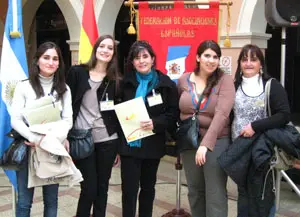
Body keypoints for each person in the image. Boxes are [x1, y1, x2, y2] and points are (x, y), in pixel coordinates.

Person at [11, 42, 73, 217]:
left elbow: (67, 121)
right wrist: (35, 138)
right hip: (28, 148)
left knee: (51, 201)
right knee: (24, 202)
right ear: (37, 60)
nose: (51, 62)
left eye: (55, 58)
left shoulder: (64, 89)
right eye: (46, 57)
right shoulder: (24, 87)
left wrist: (53, 139)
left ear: (59, 63)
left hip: (52, 149)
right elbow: (16, 120)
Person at [118, 40, 179, 217]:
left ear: (153, 59)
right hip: (129, 146)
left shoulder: (166, 84)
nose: (141, 61)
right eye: (137, 58)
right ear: (132, 62)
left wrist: (156, 123)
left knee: (148, 189)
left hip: (152, 145)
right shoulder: (124, 84)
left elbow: (173, 113)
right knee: (129, 191)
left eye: (145, 56)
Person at [231, 44, 290, 217]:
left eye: (253, 59)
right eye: (244, 59)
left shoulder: (271, 85)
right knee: (243, 194)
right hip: (239, 149)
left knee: (263, 193)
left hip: (262, 149)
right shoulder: (234, 86)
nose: (248, 63)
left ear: (261, 64)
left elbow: (284, 115)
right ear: (240, 63)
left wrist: (255, 126)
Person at [177, 40, 235, 217]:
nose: (211, 60)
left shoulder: (225, 81)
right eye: (207, 55)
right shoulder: (183, 79)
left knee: (215, 193)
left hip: (216, 142)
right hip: (190, 142)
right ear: (198, 57)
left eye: (215, 57)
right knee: (195, 191)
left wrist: (205, 144)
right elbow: (179, 110)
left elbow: (222, 114)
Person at [66, 34, 122, 217]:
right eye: (102, 46)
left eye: (110, 48)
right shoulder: (77, 73)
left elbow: (119, 113)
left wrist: (120, 146)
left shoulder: (116, 80)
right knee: (89, 187)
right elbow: (65, 104)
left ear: (113, 53)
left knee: (102, 188)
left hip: (108, 140)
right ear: (95, 48)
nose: (105, 50)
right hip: (82, 139)